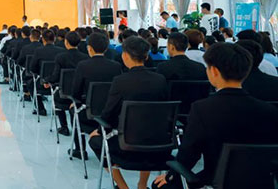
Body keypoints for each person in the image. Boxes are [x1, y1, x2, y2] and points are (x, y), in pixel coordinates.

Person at [153, 43, 278, 189]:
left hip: (217, 179)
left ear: (214, 71)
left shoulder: (203, 109)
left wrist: (171, 175)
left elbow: (189, 154)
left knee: (160, 185)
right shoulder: (269, 110)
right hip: (262, 181)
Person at [89, 36, 168, 189]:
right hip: (157, 145)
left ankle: (123, 186)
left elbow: (109, 113)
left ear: (125, 56)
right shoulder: (160, 80)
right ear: (146, 56)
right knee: (146, 132)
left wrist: (99, 130)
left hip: (125, 146)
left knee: (95, 141)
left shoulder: (120, 81)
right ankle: (142, 184)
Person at [69, 32, 122, 158]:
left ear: (89, 48)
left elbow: (76, 92)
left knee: (73, 110)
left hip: (89, 114)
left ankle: (79, 149)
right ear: (106, 48)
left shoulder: (83, 66)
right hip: (113, 114)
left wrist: (75, 102)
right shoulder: (116, 66)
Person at [27, 30, 61, 116]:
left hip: (42, 83)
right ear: (54, 39)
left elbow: (32, 68)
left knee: (30, 84)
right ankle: (58, 107)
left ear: (43, 39)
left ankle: (41, 109)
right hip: (59, 84)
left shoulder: (39, 51)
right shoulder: (61, 51)